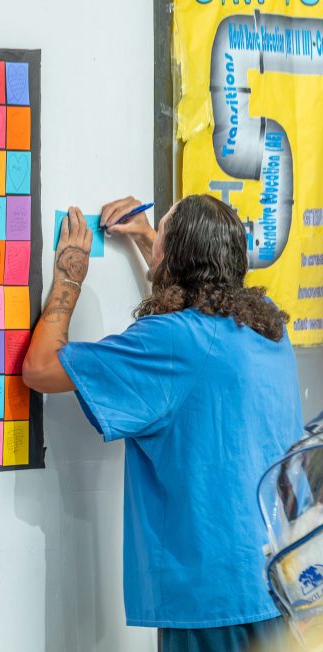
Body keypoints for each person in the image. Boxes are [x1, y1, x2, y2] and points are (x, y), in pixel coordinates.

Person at [22, 195, 303, 651]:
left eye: (163, 235)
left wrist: (69, 278)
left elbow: (39, 368)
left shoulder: (172, 340)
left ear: (174, 256)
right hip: (279, 582)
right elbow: (201, 301)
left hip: (212, 599)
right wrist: (152, 238)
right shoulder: (269, 329)